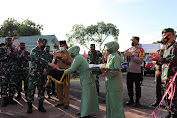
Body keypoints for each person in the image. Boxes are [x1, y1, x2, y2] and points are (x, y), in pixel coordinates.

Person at [48, 45, 99, 118]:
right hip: (86, 77)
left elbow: (72, 69)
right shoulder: (77, 57)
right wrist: (62, 71)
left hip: (87, 78)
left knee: (86, 96)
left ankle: (84, 114)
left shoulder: (78, 58)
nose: (70, 54)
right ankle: (84, 111)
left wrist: (62, 72)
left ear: (74, 52)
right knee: (86, 95)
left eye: (71, 52)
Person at [150, 28, 177, 118]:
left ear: (172, 35)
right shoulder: (167, 47)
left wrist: (160, 59)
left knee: (173, 99)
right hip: (165, 77)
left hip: (173, 78)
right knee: (167, 98)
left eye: (166, 35)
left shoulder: (175, 46)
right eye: (163, 35)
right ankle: (169, 113)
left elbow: (173, 59)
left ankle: (174, 114)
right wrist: (157, 58)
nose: (164, 37)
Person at [27, 38, 48, 113]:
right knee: (31, 90)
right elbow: (38, 60)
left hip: (42, 74)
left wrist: (46, 67)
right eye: (43, 44)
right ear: (38, 43)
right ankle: (30, 107)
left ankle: (40, 106)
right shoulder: (33, 51)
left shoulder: (44, 52)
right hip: (33, 74)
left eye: (45, 44)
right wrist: (47, 64)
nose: (44, 45)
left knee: (41, 90)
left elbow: (46, 60)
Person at [104, 41, 125, 118]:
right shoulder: (110, 56)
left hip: (115, 83)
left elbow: (116, 69)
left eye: (108, 47)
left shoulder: (116, 56)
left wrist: (105, 72)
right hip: (110, 82)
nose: (107, 49)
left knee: (116, 102)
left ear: (113, 47)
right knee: (110, 101)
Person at [124, 36, 145, 107]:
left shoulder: (141, 50)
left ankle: (137, 101)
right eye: (132, 41)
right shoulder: (130, 49)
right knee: (129, 86)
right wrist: (126, 56)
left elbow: (140, 61)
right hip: (130, 71)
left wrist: (132, 56)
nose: (132, 42)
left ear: (137, 41)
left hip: (137, 72)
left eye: (134, 40)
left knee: (137, 87)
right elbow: (128, 61)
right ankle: (131, 100)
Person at [53, 40, 72, 109]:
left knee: (66, 88)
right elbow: (54, 63)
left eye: (62, 46)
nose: (61, 47)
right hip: (58, 72)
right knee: (58, 88)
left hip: (65, 72)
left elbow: (69, 63)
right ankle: (60, 102)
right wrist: (56, 58)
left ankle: (66, 103)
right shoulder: (57, 53)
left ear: (66, 46)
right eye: (60, 46)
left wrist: (62, 59)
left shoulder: (68, 54)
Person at [0, 37, 18, 107]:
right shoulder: (1, 49)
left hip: (12, 70)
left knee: (12, 85)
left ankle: (11, 98)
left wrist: (15, 54)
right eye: (8, 42)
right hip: (4, 70)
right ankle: (4, 99)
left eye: (10, 42)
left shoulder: (14, 49)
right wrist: (7, 55)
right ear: (5, 42)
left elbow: (17, 59)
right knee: (4, 85)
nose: (9, 43)